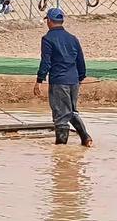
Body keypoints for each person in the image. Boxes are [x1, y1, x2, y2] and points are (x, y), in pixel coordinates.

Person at [34, 8, 92, 147]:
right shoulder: (73, 38)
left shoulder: (47, 39)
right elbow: (80, 61)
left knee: (60, 116)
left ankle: (61, 152)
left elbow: (46, 62)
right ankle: (86, 138)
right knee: (71, 111)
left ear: (49, 20)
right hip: (74, 80)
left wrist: (39, 80)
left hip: (59, 82)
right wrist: (80, 77)